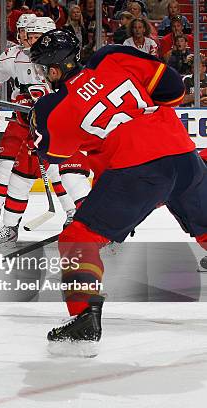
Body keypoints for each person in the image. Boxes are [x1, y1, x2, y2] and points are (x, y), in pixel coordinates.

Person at [29, 29, 207, 354]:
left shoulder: (55, 106)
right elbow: (173, 90)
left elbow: (52, 154)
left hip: (136, 171)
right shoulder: (113, 57)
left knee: (77, 238)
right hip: (183, 155)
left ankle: (84, 318)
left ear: (52, 70)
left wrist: (34, 122)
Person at [0, 16, 90, 242]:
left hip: (59, 127)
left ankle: (86, 220)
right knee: (16, 173)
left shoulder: (61, 60)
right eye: (28, 35)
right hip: (29, 125)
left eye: (36, 36)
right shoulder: (20, 56)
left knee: (65, 173)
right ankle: (6, 224)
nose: (29, 39)